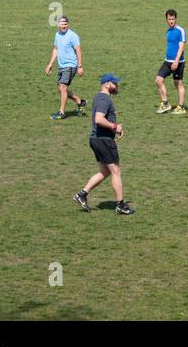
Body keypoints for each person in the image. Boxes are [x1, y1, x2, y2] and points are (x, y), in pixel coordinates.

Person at [74, 74, 133, 215]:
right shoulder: (104, 99)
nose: (117, 86)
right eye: (115, 83)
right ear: (107, 84)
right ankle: (120, 205)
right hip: (103, 140)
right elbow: (99, 119)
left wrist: (114, 128)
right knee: (115, 172)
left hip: (98, 139)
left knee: (105, 171)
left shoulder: (100, 97)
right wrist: (115, 127)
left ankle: (82, 195)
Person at [45, 15, 88, 121]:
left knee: (63, 87)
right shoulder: (57, 34)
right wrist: (50, 64)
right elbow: (56, 49)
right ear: (58, 25)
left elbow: (78, 50)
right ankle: (79, 101)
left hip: (70, 65)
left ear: (67, 24)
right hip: (61, 65)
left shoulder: (73, 36)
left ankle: (61, 113)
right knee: (60, 89)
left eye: (65, 24)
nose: (63, 26)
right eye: (61, 24)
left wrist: (80, 66)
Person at [155, 8, 188, 115]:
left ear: (176, 19)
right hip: (167, 61)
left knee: (178, 84)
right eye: (169, 19)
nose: (171, 21)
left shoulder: (180, 31)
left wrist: (176, 62)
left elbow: (181, 47)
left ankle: (181, 107)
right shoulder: (168, 31)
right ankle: (165, 104)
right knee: (158, 80)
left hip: (178, 62)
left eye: (173, 19)